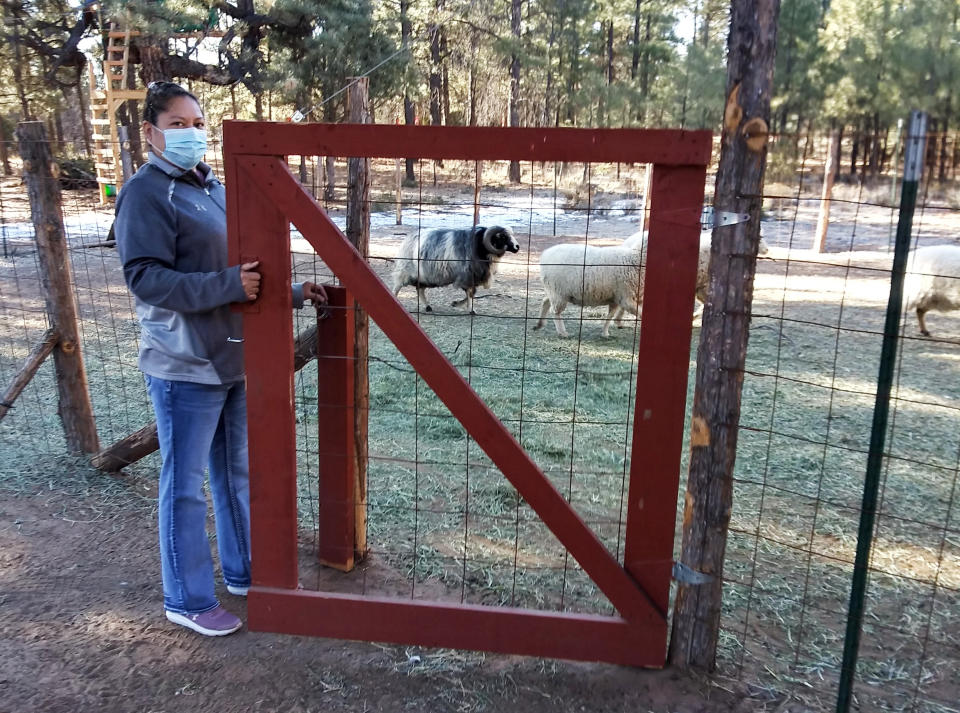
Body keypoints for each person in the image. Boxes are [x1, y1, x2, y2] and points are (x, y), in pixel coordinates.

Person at [114, 81, 327, 636]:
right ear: (151, 132)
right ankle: (184, 597)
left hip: (232, 355)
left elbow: (243, 267)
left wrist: (294, 292)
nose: (191, 134)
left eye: (197, 123)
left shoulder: (210, 188)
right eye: (178, 124)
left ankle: (245, 572)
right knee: (182, 483)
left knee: (234, 471)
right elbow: (145, 278)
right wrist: (227, 286)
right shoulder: (146, 192)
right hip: (185, 362)